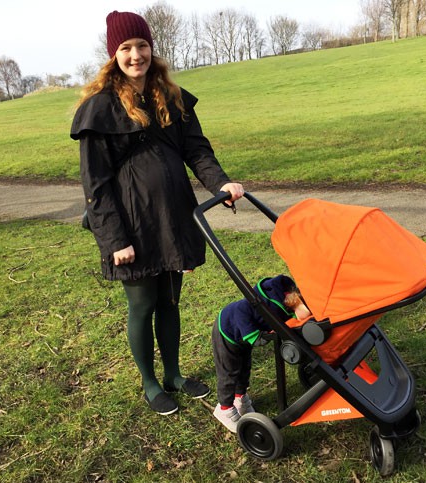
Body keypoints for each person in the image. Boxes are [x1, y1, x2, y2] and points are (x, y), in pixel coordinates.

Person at [70, 10, 244, 416]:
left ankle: (174, 374)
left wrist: (220, 183)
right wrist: (114, 240)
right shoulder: (100, 108)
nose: (136, 55)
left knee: (170, 300)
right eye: (127, 48)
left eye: (142, 46)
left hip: (173, 216)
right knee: (143, 304)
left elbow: (197, 150)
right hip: (131, 224)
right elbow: (94, 183)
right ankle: (150, 383)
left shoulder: (171, 96)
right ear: (114, 54)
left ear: (152, 48)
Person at [212, 275, 311, 432]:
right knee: (229, 372)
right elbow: (240, 309)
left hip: (243, 339)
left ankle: (240, 398)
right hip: (227, 330)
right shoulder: (268, 302)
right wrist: (252, 334)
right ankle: (224, 409)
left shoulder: (286, 307)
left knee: (244, 367)